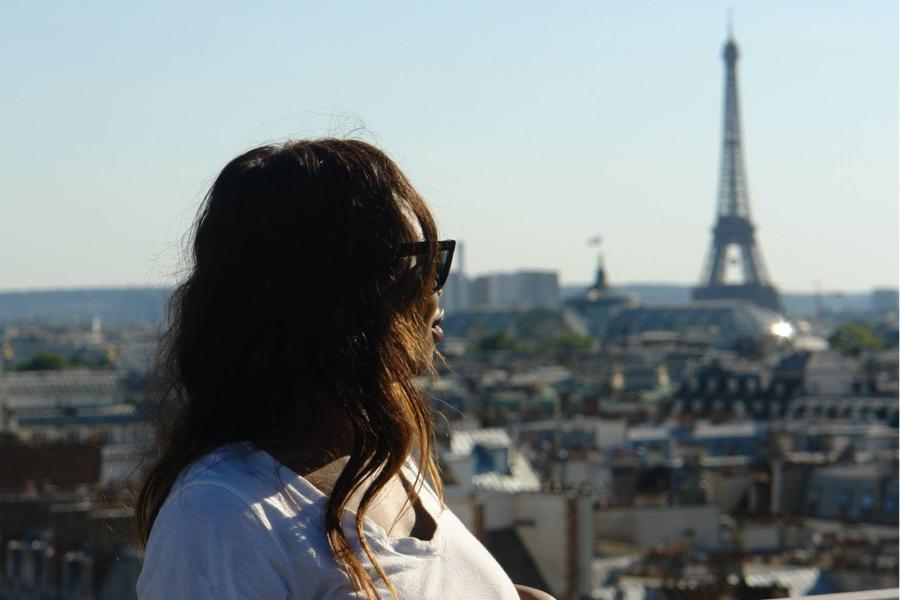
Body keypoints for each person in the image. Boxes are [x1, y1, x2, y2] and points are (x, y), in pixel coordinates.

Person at [135, 139, 555, 600]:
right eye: (417, 263)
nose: (436, 291)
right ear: (335, 293)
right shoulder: (217, 516)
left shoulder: (381, 461)